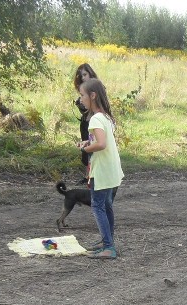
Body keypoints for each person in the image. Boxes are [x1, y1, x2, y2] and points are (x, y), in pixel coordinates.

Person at [77, 78, 124, 259]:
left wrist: (85, 148)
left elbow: (102, 144)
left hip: (102, 170)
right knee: (106, 205)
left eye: (82, 95)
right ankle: (108, 242)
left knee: (97, 206)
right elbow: (102, 140)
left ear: (93, 95)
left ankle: (108, 248)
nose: (81, 99)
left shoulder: (95, 119)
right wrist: (89, 142)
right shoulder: (106, 117)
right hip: (112, 169)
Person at [73, 64, 98, 173]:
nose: (83, 77)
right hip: (85, 123)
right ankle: (88, 175)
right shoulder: (83, 88)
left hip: (95, 122)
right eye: (80, 75)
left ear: (90, 73)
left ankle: (93, 175)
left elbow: (98, 107)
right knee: (86, 149)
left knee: (94, 147)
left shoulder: (97, 87)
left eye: (85, 74)